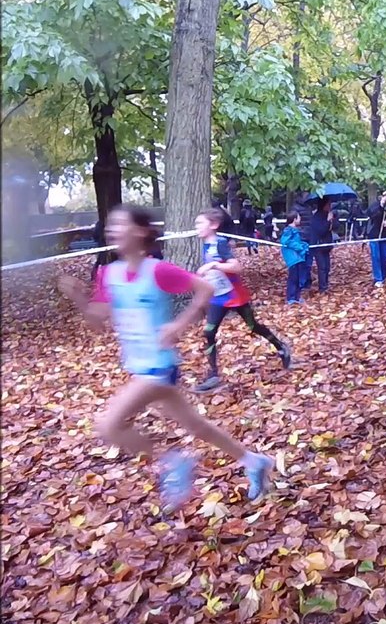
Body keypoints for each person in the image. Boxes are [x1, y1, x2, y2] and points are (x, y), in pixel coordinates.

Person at [56, 205, 274, 511]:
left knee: (108, 425)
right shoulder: (111, 274)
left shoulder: (157, 269)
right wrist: (79, 298)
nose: (113, 231)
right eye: (111, 226)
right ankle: (254, 461)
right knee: (197, 427)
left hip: (160, 366)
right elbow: (97, 321)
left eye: (120, 225)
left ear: (141, 231)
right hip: (139, 365)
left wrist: (179, 324)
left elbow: (204, 288)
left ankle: (172, 461)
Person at [193, 209, 292, 392]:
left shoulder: (220, 244)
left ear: (213, 225)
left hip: (234, 295)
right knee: (208, 332)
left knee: (253, 326)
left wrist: (214, 265)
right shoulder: (206, 244)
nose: (196, 227)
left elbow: (236, 267)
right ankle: (213, 375)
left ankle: (281, 347)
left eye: (200, 223)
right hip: (217, 297)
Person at [309, 199, 336, 293]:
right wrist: (328, 221)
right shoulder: (316, 217)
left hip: (326, 245)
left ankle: (326, 284)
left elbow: (334, 228)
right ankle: (322, 288)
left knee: (327, 267)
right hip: (318, 245)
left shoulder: (327, 215)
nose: (329, 207)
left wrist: (333, 220)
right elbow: (321, 231)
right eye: (328, 204)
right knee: (322, 267)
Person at [281, 212, 309, 304]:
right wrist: (299, 247)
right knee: (293, 278)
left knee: (298, 277)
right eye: (299, 218)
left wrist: (303, 245)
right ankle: (291, 298)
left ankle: (297, 297)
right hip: (292, 258)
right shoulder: (288, 230)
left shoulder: (295, 230)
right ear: (294, 219)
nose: (300, 219)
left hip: (298, 258)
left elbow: (297, 242)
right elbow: (285, 241)